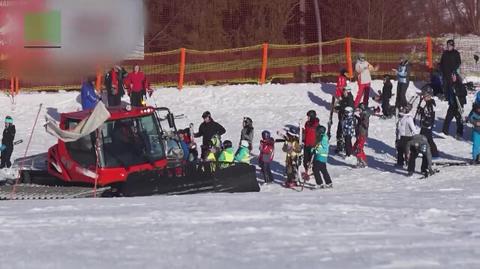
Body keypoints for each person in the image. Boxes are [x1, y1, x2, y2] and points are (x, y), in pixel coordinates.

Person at [415, 86, 439, 158]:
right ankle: (425, 151)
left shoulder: (430, 104)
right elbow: (425, 113)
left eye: (425, 95)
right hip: (425, 124)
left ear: (429, 96)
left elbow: (430, 115)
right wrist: (421, 110)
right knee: (426, 139)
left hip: (427, 125)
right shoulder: (427, 104)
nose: (423, 97)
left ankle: (433, 153)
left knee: (426, 139)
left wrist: (427, 122)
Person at [442, 73, 467, 139]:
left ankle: (459, 134)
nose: (452, 77)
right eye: (452, 76)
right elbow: (449, 93)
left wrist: (457, 92)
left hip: (458, 105)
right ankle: (444, 132)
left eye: (454, 76)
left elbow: (464, 93)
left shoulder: (460, 85)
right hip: (452, 105)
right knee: (447, 118)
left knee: (459, 120)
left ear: (457, 77)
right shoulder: (450, 84)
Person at [335, 85, 354, 153]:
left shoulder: (350, 99)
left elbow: (350, 109)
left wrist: (340, 108)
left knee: (344, 134)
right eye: (343, 90)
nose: (343, 92)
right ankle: (340, 145)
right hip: (341, 118)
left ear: (348, 91)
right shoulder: (344, 97)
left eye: (345, 90)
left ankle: (345, 148)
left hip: (346, 120)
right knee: (339, 132)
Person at [303, 110, 319, 176]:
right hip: (306, 144)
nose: (307, 118)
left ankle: (313, 172)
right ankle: (306, 171)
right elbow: (306, 132)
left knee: (311, 160)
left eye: (309, 116)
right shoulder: (307, 123)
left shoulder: (316, 125)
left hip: (312, 145)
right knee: (305, 160)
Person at [354, 104, 370, 168]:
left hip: (362, 134)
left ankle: (363, 162)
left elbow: (365, 125)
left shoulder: (365, 116)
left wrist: (360, 120)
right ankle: (360, 160)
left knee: (359, 148)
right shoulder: (362, 115)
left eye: (360, 109)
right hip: (359, 134)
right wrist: (357, 118)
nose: (359, 110)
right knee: (356, 147)